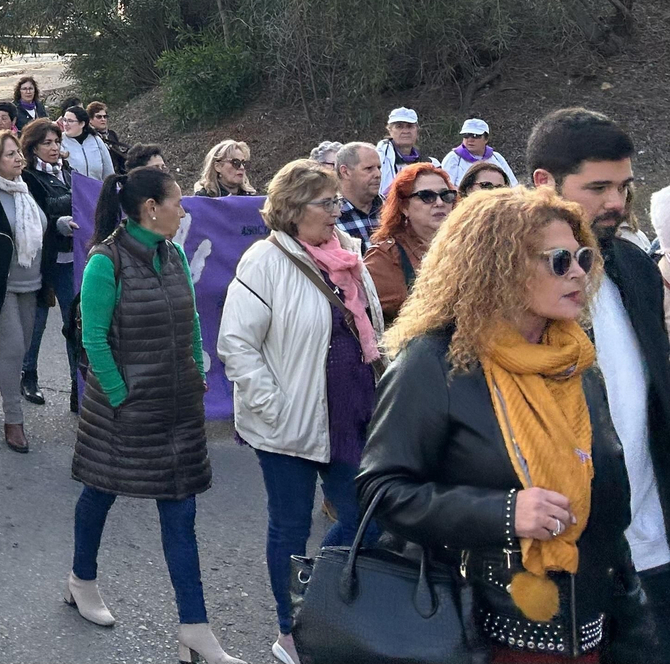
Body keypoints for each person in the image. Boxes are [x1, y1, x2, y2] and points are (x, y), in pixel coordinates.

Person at [357, 186, 658, 663]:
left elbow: (608, 509)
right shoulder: (433, 363)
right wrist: (503, 513)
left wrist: (635, 630)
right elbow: (381, 491)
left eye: (583, 257)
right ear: (500, 267)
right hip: (482, 635)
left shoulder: (575, 362)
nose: (579, 272)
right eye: (559, 261)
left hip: (592, 634)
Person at [65, 167, 244, 664]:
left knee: (181, 512)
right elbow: (93, 339)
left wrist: (196, 369)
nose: (182, 211)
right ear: (151, 209)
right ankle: (82, 580)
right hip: (123, 410)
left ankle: (195, 629)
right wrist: (119, 395)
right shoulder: (105, 262)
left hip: (177, 406)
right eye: (177, 203)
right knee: (100, 492)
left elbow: (190, 318)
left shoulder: (174, 254)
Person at [217, 158, 383, 664]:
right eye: (326, 203)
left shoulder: (348, 251)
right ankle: (291, 631)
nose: (337, 212)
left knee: (369, 518)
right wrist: (273, 406)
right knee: (289, 529)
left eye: (337, 201)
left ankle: (321, 603)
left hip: (353, 414)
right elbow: (237, 345)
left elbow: (370, 324)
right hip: (289, 423)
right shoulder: (263, 261)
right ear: (293, 209)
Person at [529, 108, 670, 638]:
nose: (616, 202)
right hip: (565, 556)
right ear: (545, 182)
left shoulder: (635, 267)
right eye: (599, 187)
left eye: (624, 187)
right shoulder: (509, 289)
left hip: (654, 543)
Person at [0, 130, 46, 452]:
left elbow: (45, 221)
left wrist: (60, 225)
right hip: (0, 284)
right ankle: (14, 421)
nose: (18, 158)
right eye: (10, 154)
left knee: (21, 348)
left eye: (18, 152)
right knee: (13, 348)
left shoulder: (29, 185)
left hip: (33, 281)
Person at [19, 117, 78, 412]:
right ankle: (28, 374)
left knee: (74, 322)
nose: (54, 148)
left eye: (57, 142)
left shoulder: (68, 173)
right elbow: (33, 216)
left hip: (70, 259)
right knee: (36, 323)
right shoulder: (27, 178)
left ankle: (78, 384)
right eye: (47, 143)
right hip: (42, 260)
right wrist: (58, 223)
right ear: (33, 147)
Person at [361, 161, 456, 320]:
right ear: (404, 207)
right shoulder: (384, 257)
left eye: (446, 195)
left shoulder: (466, 249)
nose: (440, 203)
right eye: (427, 196)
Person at [440, 116, 518, 188]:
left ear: (486, 139)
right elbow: (447, 187)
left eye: (475, 136)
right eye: (466, 135)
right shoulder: (453, 158)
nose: (470, 140)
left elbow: (513, 185)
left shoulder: (497, 157)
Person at [333, 141, 383, 252]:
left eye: (379, 168)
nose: (378, 174)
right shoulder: (330, 216)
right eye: (369, 168)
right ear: (345, 172)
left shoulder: (392, 210)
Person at [375, 106, 436, 195]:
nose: (405, 131)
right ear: (390, 130)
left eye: (410, 126)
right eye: (399, 126)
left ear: (417, 130)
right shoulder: (378, 160)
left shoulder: (431, 163)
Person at [60, 105, 115, 182]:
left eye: (70, 121)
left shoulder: (96, 140)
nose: (66, 124)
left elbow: (108, 170)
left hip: (97, 188)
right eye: (64, 120)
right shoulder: (60, 141)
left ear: (82, 124)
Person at [83, 101, 128, 174]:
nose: (103, 119)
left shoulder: (111, 134)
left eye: (105, 116)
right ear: (90, 119)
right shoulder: (88, 138)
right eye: (99, 117)